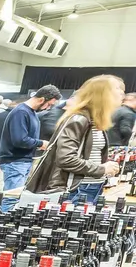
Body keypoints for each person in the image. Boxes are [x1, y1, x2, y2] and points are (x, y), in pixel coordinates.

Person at [26, 74, 121, 202]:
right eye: (116, 88)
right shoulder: (79, 120)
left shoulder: (94, 121)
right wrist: (102, 169)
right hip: (76, 189)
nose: (121, 93)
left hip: (90, 186)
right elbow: (66, 159)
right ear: (102, 94)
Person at [0, 85, 60, 194]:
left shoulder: (31, 113)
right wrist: (41, 143)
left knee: (16, 197)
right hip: (15, 161)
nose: (48, 108)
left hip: (21, 161)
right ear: (41, 100)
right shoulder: (21, 112)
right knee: (12, 198)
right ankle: (5, 212)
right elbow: (19, 140)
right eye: (49, 104)